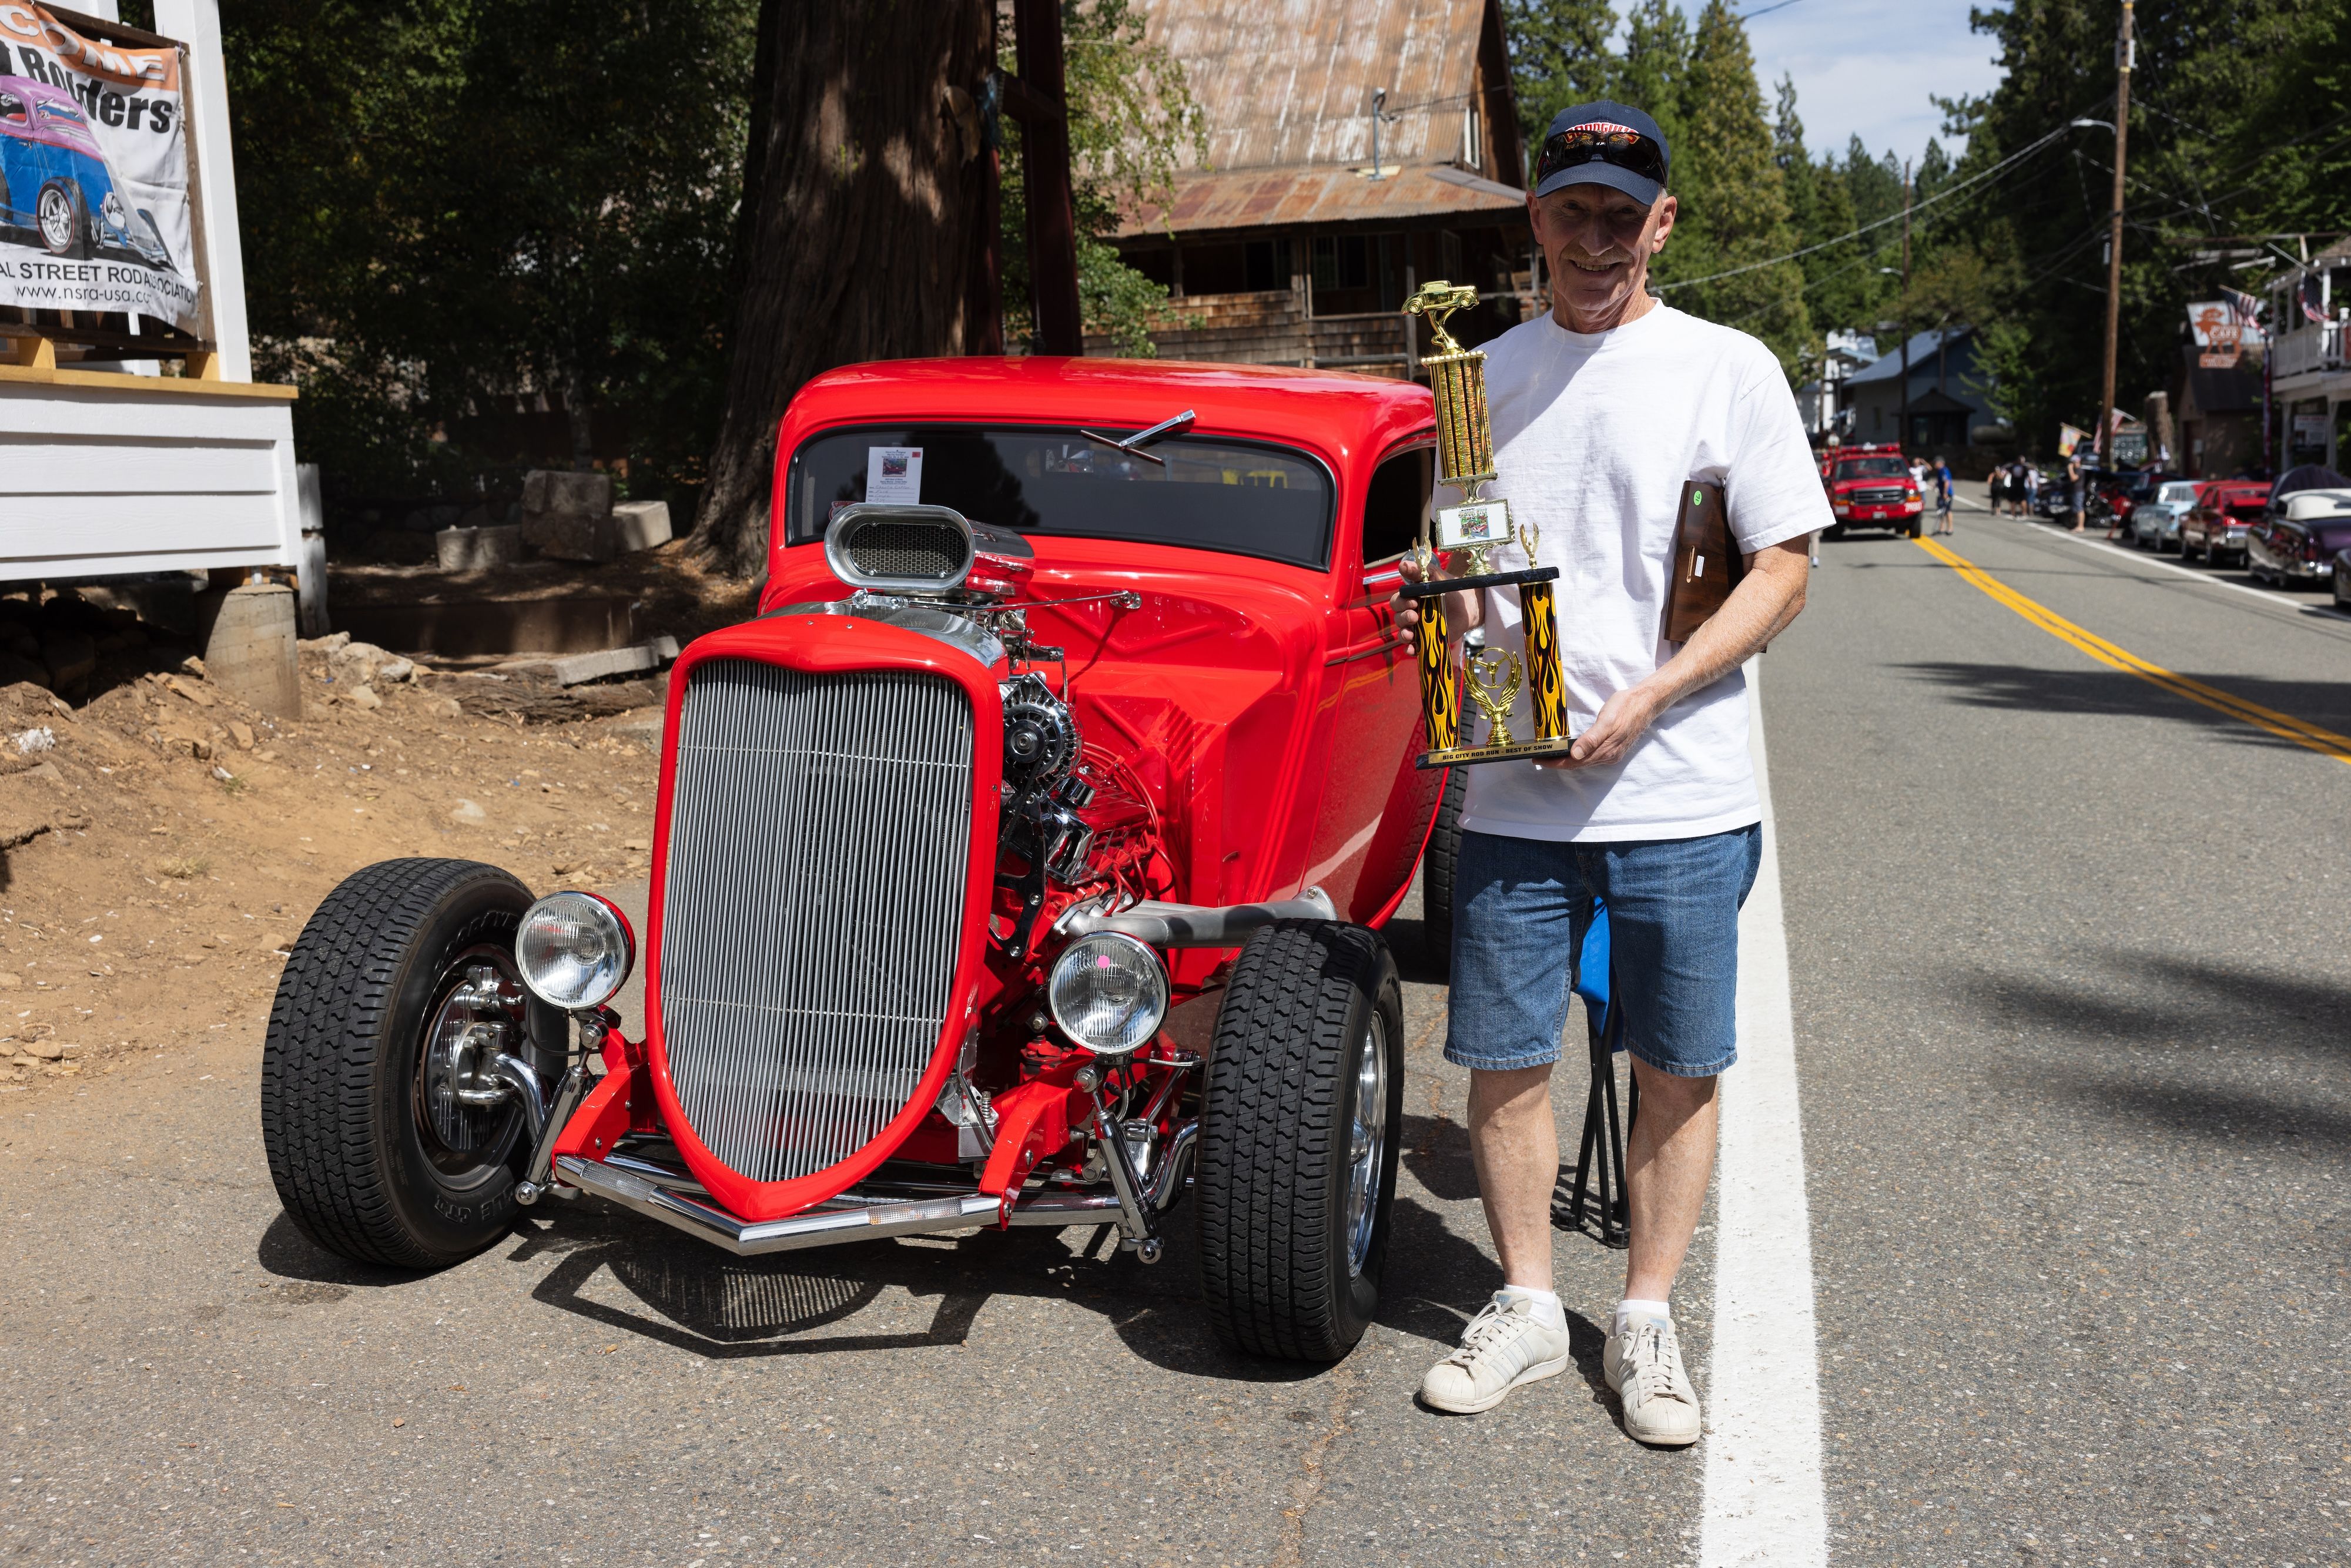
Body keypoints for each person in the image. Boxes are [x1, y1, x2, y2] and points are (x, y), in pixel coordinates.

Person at [1390, 100, 1817, 1446]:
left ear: (1661, 225)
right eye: (1571, 210)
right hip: (1515, 793)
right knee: (1504, 1059)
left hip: (1681, 789)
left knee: (1677, 1066)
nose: (1595, 239)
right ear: (1536, 220)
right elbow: (1457, 555)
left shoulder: (1725, 368)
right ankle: (1523, 1301)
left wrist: (1654, 694)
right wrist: (1433, 599)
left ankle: (1640, 1317)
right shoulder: (1481, 377)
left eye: (1620, 217)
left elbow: (1784, 567)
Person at [1935, 457, 1955, 534]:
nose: (1935, 464)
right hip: (1942, 493)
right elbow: (1942, 481)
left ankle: (1950, 528)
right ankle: (1942, 528)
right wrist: (1936, 485)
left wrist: (1945, 493)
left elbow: (1947, 482)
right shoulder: (1940, 471)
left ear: (1940, 463)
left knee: (1948, 511)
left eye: (1936, 463)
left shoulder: (1943, 470)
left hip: (1947, 494)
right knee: (1941, 510)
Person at [2067, 454, 2085, 532]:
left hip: (2079, 492)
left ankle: (2081, 526)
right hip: (2075, 492)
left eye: (2073, 462)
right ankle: (2077, 525)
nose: (2072, 464)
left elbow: (2073, 478)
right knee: (2076, 509)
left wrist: (2070, 469)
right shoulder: (2077, 470)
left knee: (2079, 509)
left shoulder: (2080, 470)